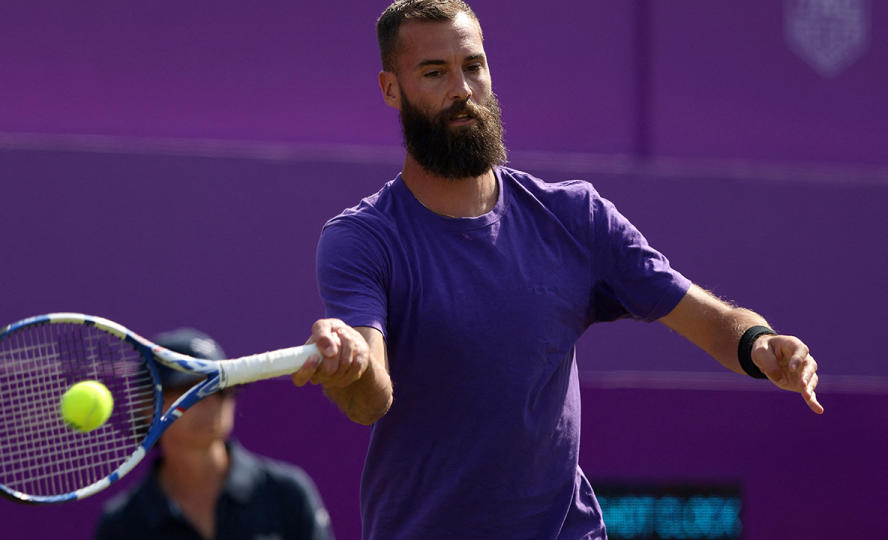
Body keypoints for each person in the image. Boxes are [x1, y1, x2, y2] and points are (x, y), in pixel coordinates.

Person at [289, 1, 823, 538]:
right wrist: (351, 367)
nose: (462, 90)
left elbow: (708, 320)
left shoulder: (576, 217)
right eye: (434, 72)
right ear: (390, 88)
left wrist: (760, 343)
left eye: (473, 66)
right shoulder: (360, 238)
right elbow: (371, 397)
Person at [95, 328, 333, 540]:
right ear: (149, 406)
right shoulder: (122, 524)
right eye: (191, 390)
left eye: (219, 388)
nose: (211, 403)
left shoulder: (288, 494)